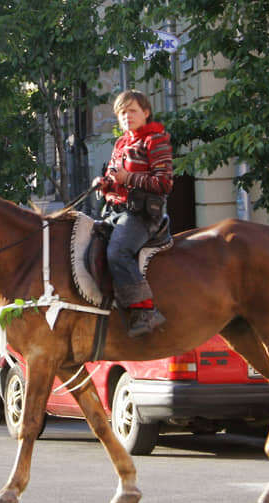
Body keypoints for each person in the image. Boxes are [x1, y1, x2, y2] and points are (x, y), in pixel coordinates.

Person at [92, 89, 173, 337]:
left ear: (146, 112)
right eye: (122, 112)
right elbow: (117, 179)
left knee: (118, 251)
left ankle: (145, 312)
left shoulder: (155, 140)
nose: (127, 116)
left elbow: (164, 184)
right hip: (114, 211)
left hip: (141, 215)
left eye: (132, 111)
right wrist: (106, 184)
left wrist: (128, 178)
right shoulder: (121, 143)